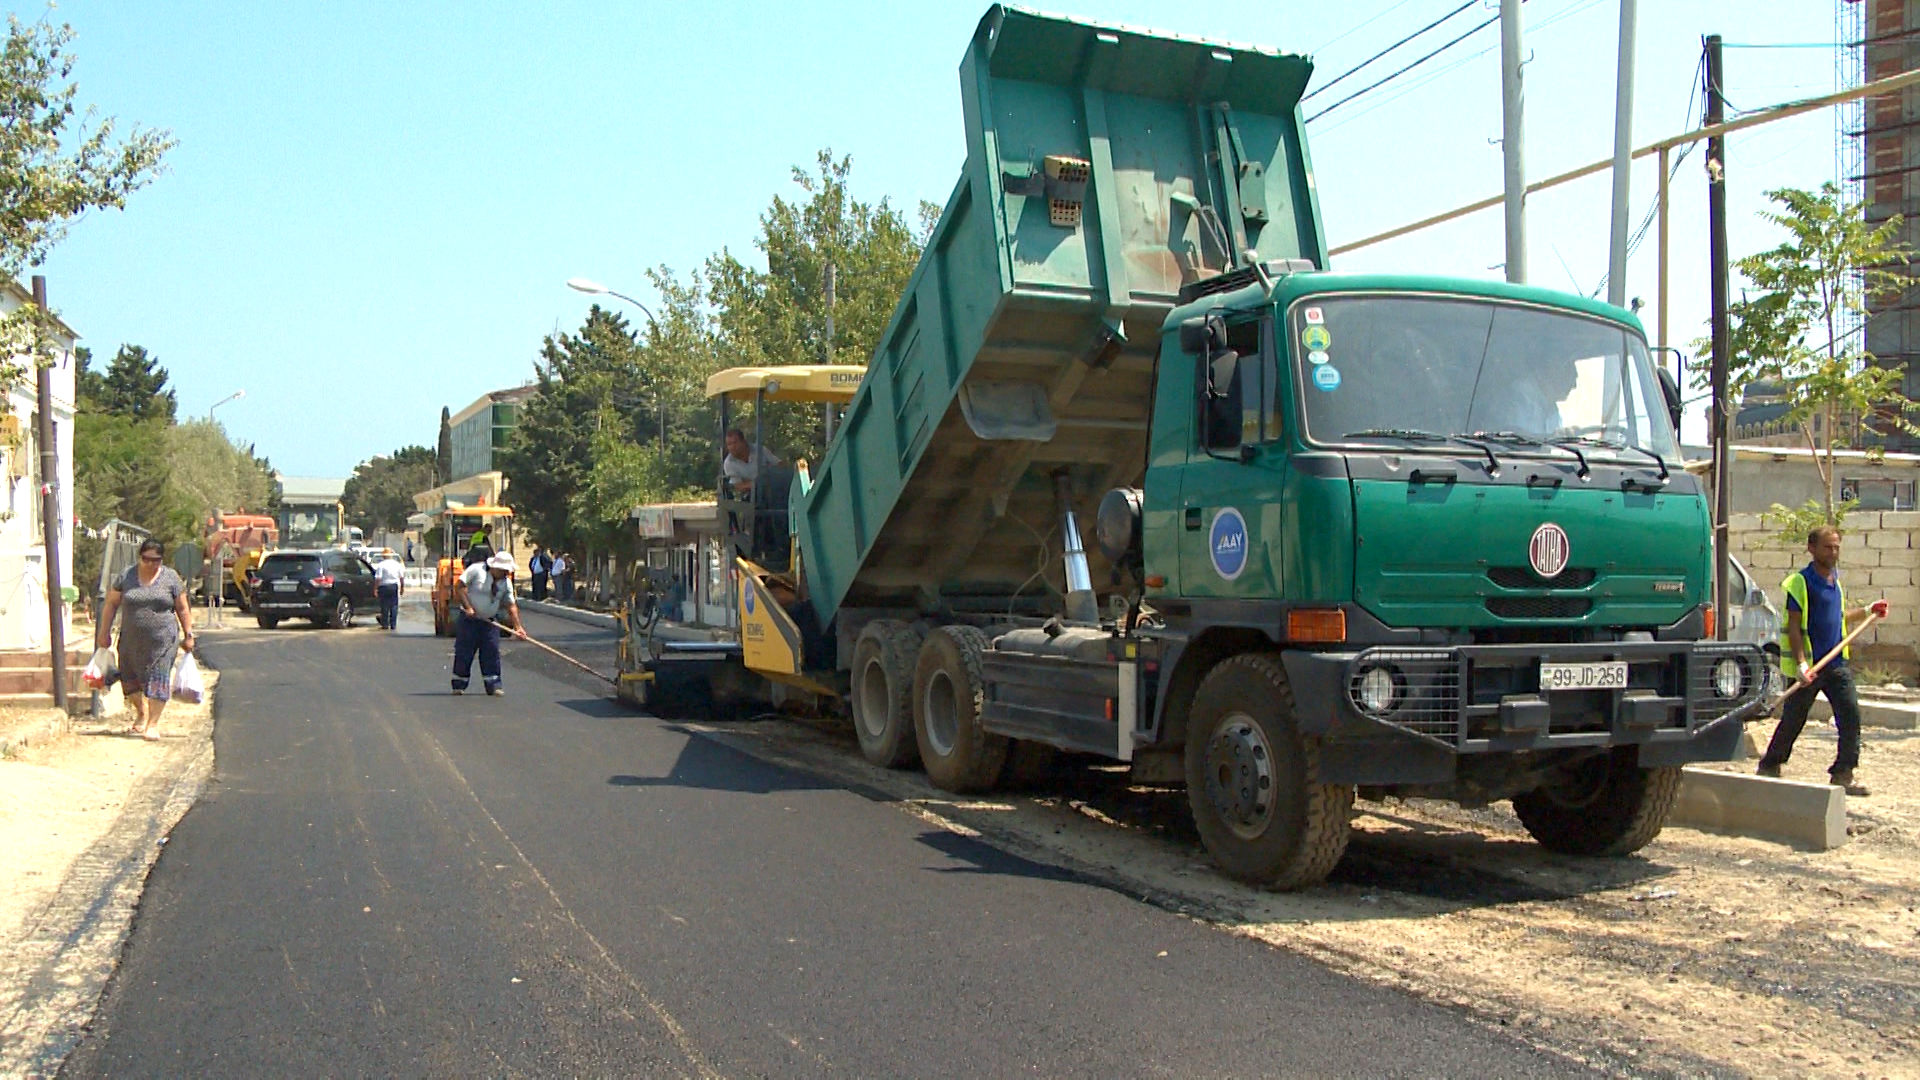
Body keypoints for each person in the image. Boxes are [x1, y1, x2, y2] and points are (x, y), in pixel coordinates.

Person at [1757, 525, 1891, 796]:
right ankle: (1770, 765)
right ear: (1812, 548)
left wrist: (1868, 611)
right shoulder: (1801, 581)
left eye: (1836, 547)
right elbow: (1794, 626)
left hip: (1836, 664)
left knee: (1850, 715)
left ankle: (1843, 773)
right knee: (1794, 719)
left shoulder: (1835, 580)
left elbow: (1838, 616)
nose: (1833, 552)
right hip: (1811, 666)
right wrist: (1801, 664)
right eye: (1827, 547)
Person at [94, 539, 195, 741]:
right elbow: (111, 604)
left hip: (163, 641)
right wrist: (103, 632)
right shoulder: (126, 576)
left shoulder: (171, 578)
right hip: (131, 640)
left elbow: (182, 608)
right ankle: (141, 712)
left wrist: (189, 634)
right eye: (146, 559)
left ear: (162, 559)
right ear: (139, 557)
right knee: (130, 679)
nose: (150, 564)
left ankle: (153, 724)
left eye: (155, 560)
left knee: (159, 678)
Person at [451, 551, 525, 696]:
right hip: (470, 621)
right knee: (465, 652)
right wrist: (468, 607)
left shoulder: (506, 583)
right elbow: (459, 586)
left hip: (489, 623)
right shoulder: (476, 570)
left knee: (491, 651)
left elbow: (511, 605)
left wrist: (518, 627)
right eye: (504, 570)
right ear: (495, 567)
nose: (507, 573)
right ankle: (459, 684)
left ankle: (493, 685)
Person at [722, 428, 782, 495]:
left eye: (735, 442)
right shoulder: (729, 463)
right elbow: (739, 486)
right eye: (729, 444)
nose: (732, 447)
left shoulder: (760, 450)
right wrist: (757, 484)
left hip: (773, 489)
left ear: (743, 441)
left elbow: (779, 464)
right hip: (750, 497)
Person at [373, 548, 406, 630]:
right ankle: (393, 624)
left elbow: (378, 578)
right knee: (394, 605)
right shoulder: (397, 564)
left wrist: (375, 589)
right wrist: (402, 587)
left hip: (383, 587)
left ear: (383, 556)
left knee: (384, 606)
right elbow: (401, 577)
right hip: (393, 586)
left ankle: (385, 624)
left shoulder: (381, 565)